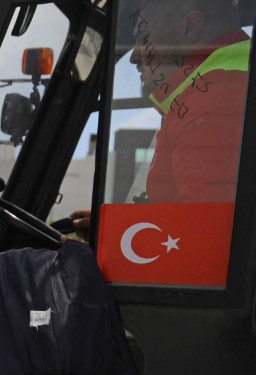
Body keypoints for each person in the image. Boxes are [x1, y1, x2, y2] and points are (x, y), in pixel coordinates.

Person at [72, 0, 248, 236]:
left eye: (142, 36)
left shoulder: (213, 104)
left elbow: (200, 239)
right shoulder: (218, 88)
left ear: (188, 27)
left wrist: (114, 237)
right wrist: (117, 226)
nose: (134, 57)